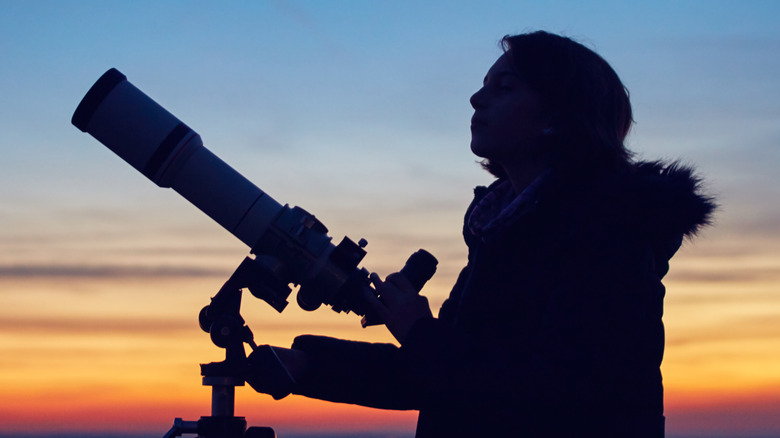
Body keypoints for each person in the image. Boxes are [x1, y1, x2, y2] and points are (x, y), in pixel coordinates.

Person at [245, 30, 715, 437]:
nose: (477, 98)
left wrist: (420, 331)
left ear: (559, 117)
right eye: (484, 85)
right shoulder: (504, 234)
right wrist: (306, 365)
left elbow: (554, 400)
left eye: (504, 87)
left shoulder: (607, 236)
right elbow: (437, 377)